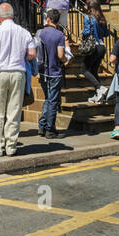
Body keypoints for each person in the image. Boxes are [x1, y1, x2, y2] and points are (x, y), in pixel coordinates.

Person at [0, 2, 35, 157]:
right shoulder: (24, 32)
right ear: (12, 15)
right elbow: (32, 54)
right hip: (18, 74)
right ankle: (11, 147)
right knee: (14, 112)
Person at [35, 9, 68, 139]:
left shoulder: (40, 33)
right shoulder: (59, 35)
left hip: (43, 71)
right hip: (54, 72)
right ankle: (50, 129)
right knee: (53, 101)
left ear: (48, 19)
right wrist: (66, 60)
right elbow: (60, 55)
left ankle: (42, 126)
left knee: (48, 99)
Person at [79, 3, 111, 102]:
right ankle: (98, 94)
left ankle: (100, 88)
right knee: (93, 71)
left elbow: (87, 31)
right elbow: (106, 34)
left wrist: (82, 32)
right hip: (102, 47)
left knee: (84, 70)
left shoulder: (88, 18)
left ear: (89, 8)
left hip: (93, 47)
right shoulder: (102, 19)